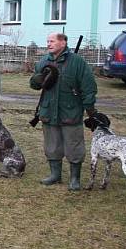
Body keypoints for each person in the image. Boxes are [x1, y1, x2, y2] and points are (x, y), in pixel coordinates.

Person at [30, 32, 97, 190]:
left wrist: (90, 110)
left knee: (74, 146)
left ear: (63, 43)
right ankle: (55, 175)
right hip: (49, 111)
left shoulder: (77, 63)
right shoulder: (43, 61)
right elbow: (34, 85)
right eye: (47, 41)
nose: (48, 44)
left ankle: (75, 179)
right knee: (52, 146)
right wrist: (38, 79)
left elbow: (89, 88)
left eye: (52, 41)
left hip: (70, 111)